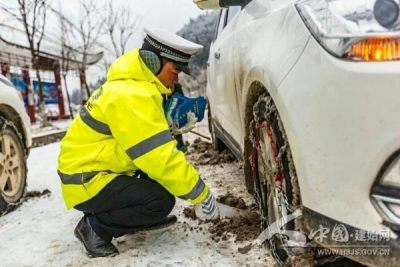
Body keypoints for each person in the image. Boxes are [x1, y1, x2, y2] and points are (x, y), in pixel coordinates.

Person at [57, 26, 220, 258]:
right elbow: (158, 157)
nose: (176, 79)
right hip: (87, 181)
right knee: (160, 201)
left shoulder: (133, 88)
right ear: (154, 63)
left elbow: (143, 146)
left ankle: (133, 219)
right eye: (175, 71)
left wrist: (168, 129)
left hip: (93, 170)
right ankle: (94, 228)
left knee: (161, 184)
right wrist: (201, 195)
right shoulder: (132, 96)